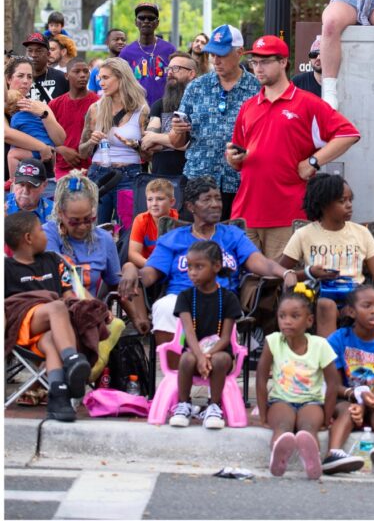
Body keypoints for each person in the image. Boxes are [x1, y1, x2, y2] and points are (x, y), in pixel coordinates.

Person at [226, 35, 361, 262]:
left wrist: (313, 162)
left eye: (265, 61)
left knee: (285, 287)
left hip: (287, 214)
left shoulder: (307, 102)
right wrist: (233, 158)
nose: (258, 68)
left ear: (283, 62)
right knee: (245, 287)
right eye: (255, 62)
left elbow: (349, 134)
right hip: (244, 214)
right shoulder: (248, 107)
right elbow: (238, 159)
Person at [118, 177, 297, 342]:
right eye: (207, 199)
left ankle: (213, 364)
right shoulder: (173, 239)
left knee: (219, 306)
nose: (215, 204)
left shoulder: (233, 235)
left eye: (218, 199)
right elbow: (148, 275)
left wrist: (286, 272)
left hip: (220, 300)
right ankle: (174, 371)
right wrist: (130, 268)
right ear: (191, 206)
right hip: (179, 299)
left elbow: (262, 263)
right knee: (164, 306)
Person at [279, 173, 374, 336]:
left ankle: (357, 357)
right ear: (324, 204)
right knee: (327, 305)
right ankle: (331, 360)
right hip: (318, 298)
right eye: (342, 201)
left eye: (350, 200)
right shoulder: (304, 235)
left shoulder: (361, 233)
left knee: (360, 306)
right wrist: (309, 273)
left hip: (355, 297)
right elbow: (280, 272)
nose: (349, 205)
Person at [5, 211, 95, 422]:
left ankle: (58, 394)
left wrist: (88, 307)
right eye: (40, 230)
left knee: (52, 341)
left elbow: (67, 294)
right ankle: (73, 361)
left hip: (51, 329)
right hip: (21, 325)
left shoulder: (53, 260)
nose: (46, 235)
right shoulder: (6, 268)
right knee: (55, 307)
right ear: (28, 238)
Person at [168, 25, 260, 221]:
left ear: (240, 53)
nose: (216, 61)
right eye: (212, 55)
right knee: (194, 246)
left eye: (222, 55)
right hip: (198, 179)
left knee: (231, 246)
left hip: (238, 183)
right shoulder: (196, 87)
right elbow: (177, 142)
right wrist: (177, 131)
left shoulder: (257, 88)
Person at [256, 289, 338, 479]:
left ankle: (311, 460)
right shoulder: (273, 341)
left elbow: (333, 383)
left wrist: (326, 418)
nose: (287, 321)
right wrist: (262, 415)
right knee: (283, 427)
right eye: (282, 316)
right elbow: (260, 377)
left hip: (311, 402)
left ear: (309, 321)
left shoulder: (320, 345)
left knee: (308, 428)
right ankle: (278, 456)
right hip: (280, 401)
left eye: (294, 316)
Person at [322, 285, 374, 476]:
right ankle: (333, 454)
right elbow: (333, 384)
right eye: (367, 306)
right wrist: (354, 396)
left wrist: (365, 405)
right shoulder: (338, 340)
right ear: (351, 311)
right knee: (347, 411)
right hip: (343, 398)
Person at [168, 239, 243, 430]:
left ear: (216, 266)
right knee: (185, 359)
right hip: (195, 353)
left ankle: (214, 407)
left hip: (220, 355)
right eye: (190, 267)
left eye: (199, 267)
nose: (192, 272)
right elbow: (189, 333)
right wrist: (199, 356)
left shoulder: (228, 298)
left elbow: (226, 337)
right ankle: (184, 405)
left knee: (218, 360)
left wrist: (206, 356)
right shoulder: (185, 297)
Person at [79, 57, 148, 227]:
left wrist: (136, 146)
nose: (101, 83)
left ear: (121, 77)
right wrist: (91, 142)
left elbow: (150, 155)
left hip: (129, 175)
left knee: (127, 229)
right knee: (94, 229)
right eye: (99, 78)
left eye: (106, 78)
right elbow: (82, 151)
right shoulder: (95, 108)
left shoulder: (142, 110)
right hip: (98, 173)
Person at [43, 174, 123, 297]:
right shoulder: (47, 234)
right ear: (60, 214)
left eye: (88, 219)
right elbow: (55, 278)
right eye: (75, 221)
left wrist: (129, 269)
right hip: (56, 307)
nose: (82, 226)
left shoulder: (104, 238)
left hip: (90, 312)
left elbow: (116, 285)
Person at [141, 50, 198, 210]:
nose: (170, 73)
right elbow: (148, 141)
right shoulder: (160, 104)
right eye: (169, 69)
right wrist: (174, 142)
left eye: (176, 69)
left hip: (189, 179)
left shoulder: (199, 104)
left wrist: (158, 138)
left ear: (191, 73)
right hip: (161, 180)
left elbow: (192, 144)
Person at [118, 2, 176, 107]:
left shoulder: (169, 49)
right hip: (135, 109)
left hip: (164, 109)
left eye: (150, 18)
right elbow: (121, 84)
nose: (146, 21)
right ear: (136, 22)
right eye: (142, 18)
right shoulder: (126, 53)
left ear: (157, 23)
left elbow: (176, 80)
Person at [50, 59, 99, 179]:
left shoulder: (99, 103)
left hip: (93, 168)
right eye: (77, 71)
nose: (82, 75)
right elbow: (43, 135)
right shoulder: (55, 104)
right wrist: (60, 149)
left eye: (86, 71)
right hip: (62, 168)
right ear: (66, 76)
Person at [128, 178, 178, 267]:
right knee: (128, 267)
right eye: (150, 199)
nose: (154, 203)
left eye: (160, 199)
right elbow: (133, 254)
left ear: (172, 202)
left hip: (172, 266)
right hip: (147, 265)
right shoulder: (141, 220)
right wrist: (154, 266)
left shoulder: (178, 220)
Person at [23, 32, 69, 102]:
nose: (33, 55)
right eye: (30, 50)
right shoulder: (18, 79)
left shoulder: (62, 78)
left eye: (39, 51)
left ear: (48, 54)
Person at [88, 29, 127, 96]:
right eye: (116, 39)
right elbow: (92, 96)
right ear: (107, 43)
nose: (120, 42)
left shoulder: (131, 67)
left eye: (123, 40)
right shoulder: (97, 70)